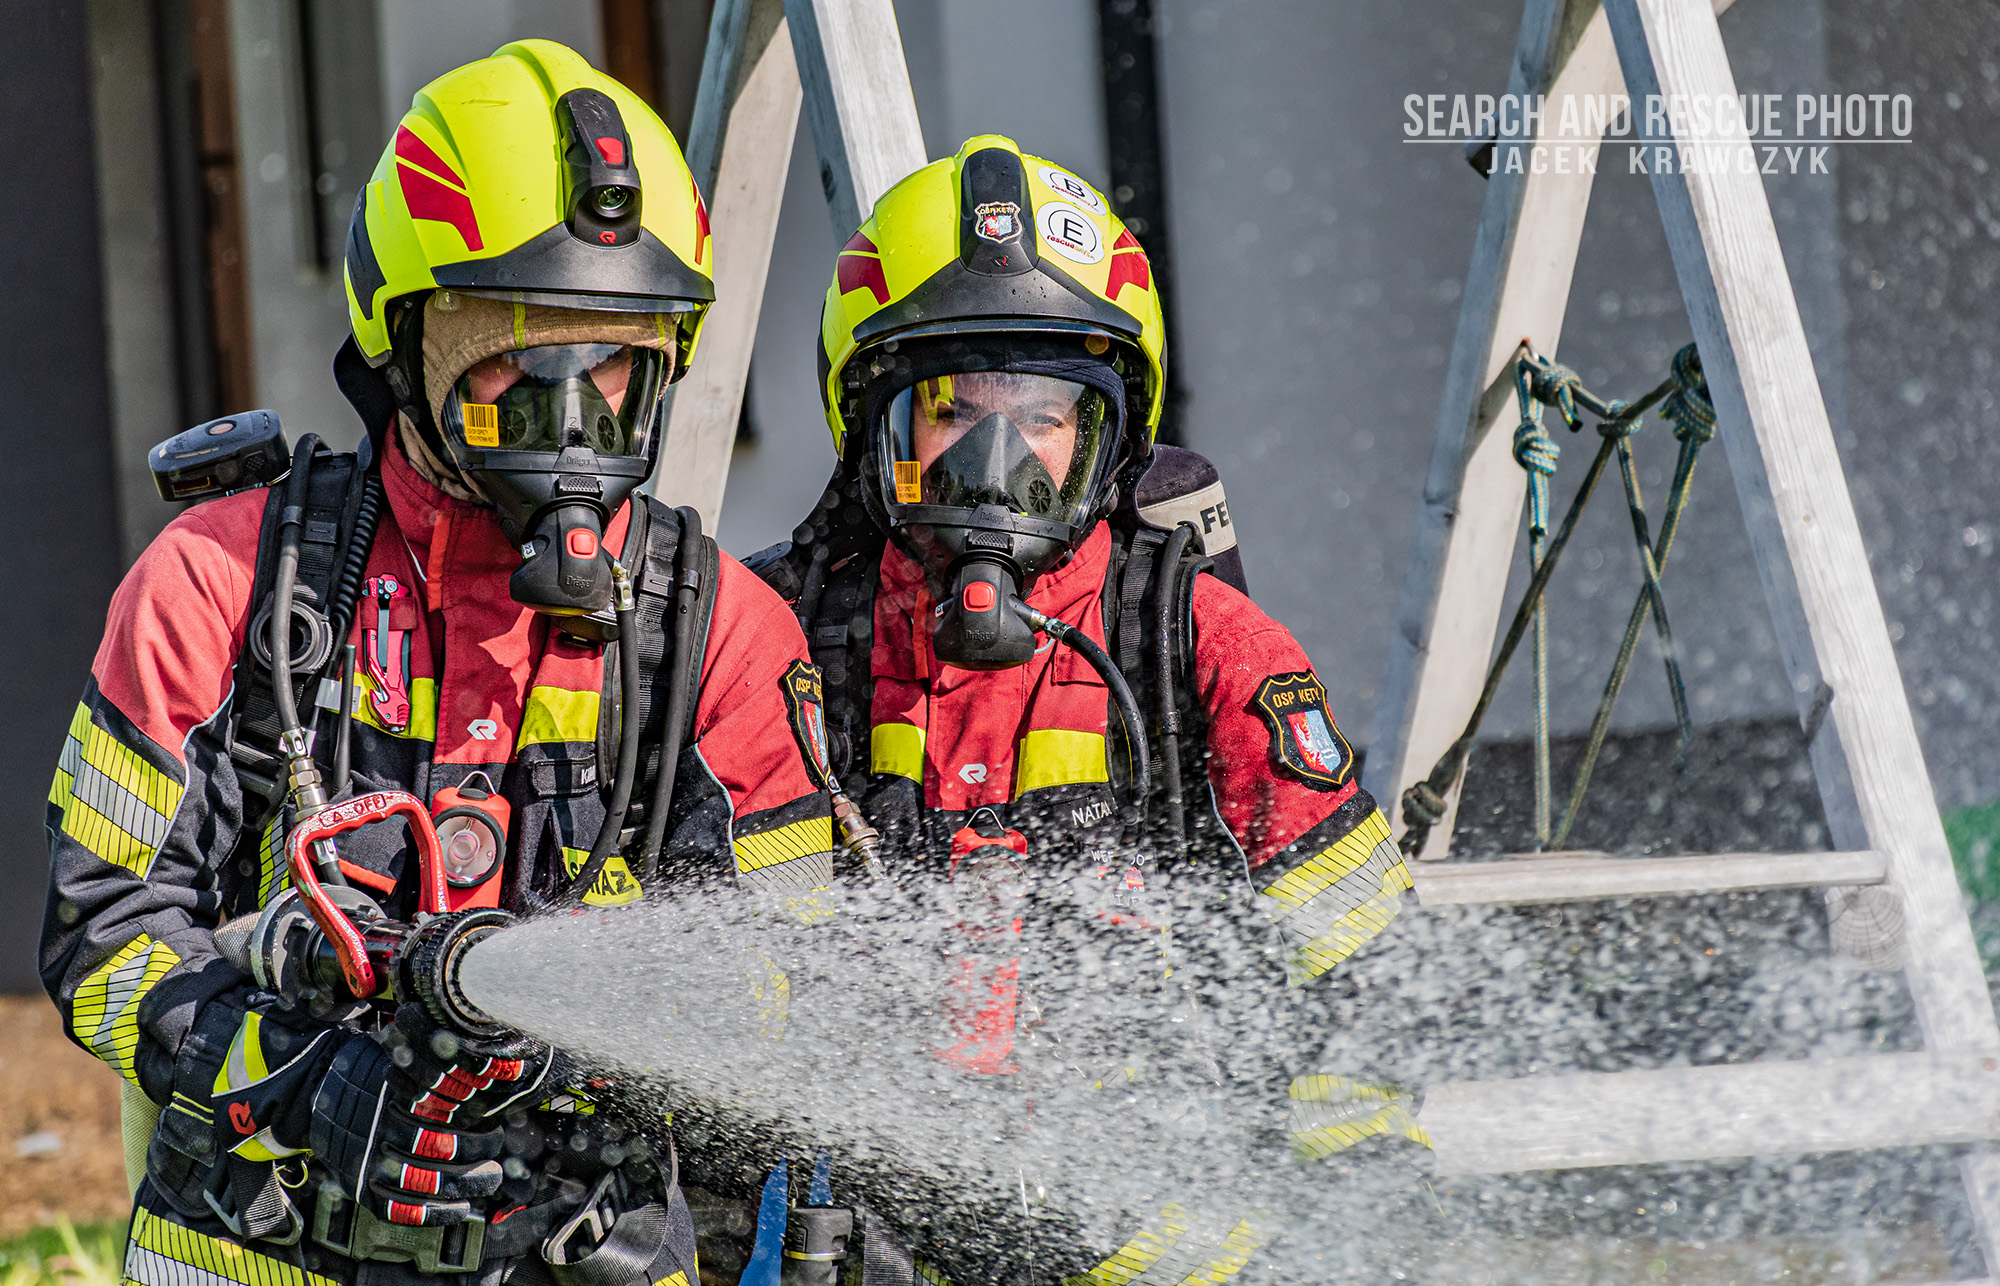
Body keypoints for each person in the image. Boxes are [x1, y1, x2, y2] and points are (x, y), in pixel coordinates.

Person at [41, 41, 835, 1286]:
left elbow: (786, 982)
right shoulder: (219, 580)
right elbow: (104, 936)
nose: (571, 416)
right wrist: (301, 1079)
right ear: (403, 340)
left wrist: (570, 1063)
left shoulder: (720, 628)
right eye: (517, 354)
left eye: (613, 363)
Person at [741, 135, 1431, 1283]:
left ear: (1106, 439)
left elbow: (1361, 968)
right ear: (874, 426)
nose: (994, 458)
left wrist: (1355, 1212)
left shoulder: (1202, 647)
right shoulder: (772, 638)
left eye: (1042, 415)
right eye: (951, 408)